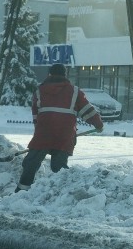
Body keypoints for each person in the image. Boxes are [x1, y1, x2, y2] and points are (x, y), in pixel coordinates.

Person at [15, 63, 103, 192]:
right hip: (65, 135)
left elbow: (36, 115)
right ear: (65, 75)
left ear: (49, 74)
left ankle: (21, 191)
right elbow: (87, 110)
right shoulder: (75, 92)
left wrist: (39, 131)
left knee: (31, 163)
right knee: (59, 167)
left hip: (44, 134)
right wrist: (98, 124)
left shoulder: (40, 91)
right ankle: (63, 193)